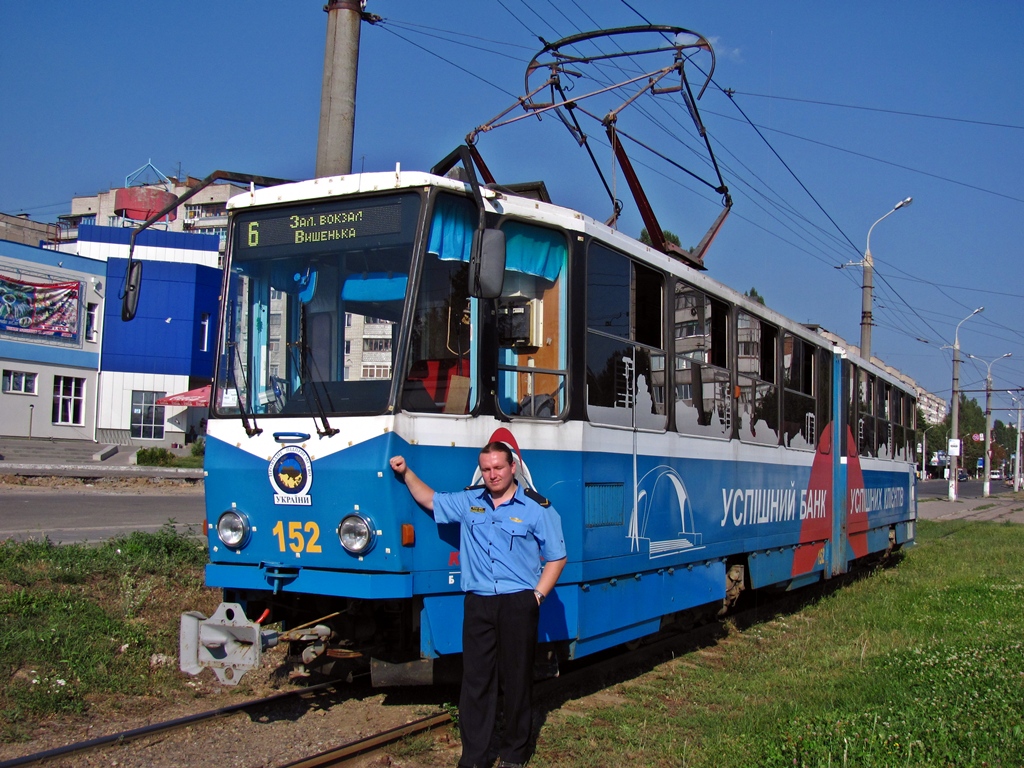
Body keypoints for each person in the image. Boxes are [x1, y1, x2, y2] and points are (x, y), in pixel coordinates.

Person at [390, 442, 566, 768]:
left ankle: (515, 753)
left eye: (498, 467)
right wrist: (406, 473)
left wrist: (536, 597)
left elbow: (557, 556)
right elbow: (430, 500)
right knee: (476, 683)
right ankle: (474, 757)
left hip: (518, 603)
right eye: (486, 469)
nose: (492, 474)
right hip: (479, 604)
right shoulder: (469, 501)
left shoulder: (536, 508)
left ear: (513, 468)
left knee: (516, 680)